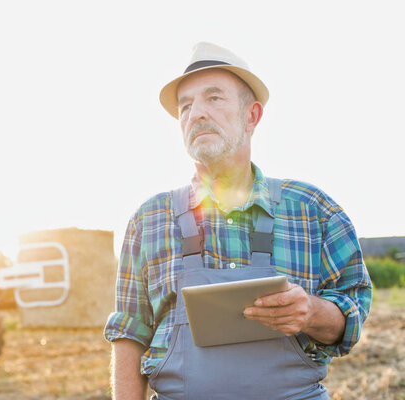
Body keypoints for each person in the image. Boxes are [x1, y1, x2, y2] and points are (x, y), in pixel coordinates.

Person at [103, 42, 372, 400]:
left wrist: (309, 312)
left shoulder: (313, 209)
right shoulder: (148, 220)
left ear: (252, 116)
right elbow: (129, 333)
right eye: (186, 106)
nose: (196, 113)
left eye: (214, 98)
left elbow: (352, 309)